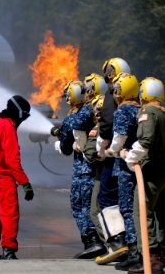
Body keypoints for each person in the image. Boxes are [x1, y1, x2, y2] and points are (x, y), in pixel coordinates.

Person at [54, 80, 105, 259]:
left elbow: (66, 148)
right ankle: (102, 240)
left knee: (80, 206)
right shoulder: (97, 109)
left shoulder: (73, 118)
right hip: (100, 169)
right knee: (96, 206)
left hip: (83, 172)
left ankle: (92, 242)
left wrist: (59, 142)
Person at [0, 95, 34, 260]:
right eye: (24, 115)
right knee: (10, 213)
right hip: (1, 175)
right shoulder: (8, 127)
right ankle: (9, 250)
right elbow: (12, 161)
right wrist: (25, 183)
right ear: (18, 112)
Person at [122, 77, 165, 274]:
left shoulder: (149, 113)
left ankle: (151, 259)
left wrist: (130, 157)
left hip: (150, 173)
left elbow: (145, 140)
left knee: (143, 214)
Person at [94, 57, 131, 263]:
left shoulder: (112, 93)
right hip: (133, 157)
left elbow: (107, 123)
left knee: (107, 199)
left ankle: (118, 241)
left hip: (114, 157)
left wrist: (102, 146)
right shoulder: (134, 92)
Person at [103, 73, 140, 271]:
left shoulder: (122, 112)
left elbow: (119, 139)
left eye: (117, 90)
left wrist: (111, 150)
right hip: (141, 165)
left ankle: (135, 253)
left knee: (127, 209)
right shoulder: (141, 110)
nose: (115, 95)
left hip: (126, 167)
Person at [72, 73, 108, 245]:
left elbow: (77, 125)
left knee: (89, 208)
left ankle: (99, 243)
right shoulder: (110, 105)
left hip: (90, 167)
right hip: (103, 167)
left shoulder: (90, 107)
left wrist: (79, 145)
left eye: (86, 89)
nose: (84, 92)